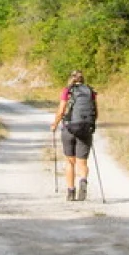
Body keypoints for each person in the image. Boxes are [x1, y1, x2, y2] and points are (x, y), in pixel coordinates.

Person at [50, 70, 98, 201]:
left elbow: (61, 111)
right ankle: (83, 179)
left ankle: (71, 192)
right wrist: (90, 126)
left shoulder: (67, 91)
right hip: (85, 129)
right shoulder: (91, 92)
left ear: (71, 79)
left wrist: (54, 124)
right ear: (83, 79)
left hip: (69, 129)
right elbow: (95, 112)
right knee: (82, 162)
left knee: (70, 162)